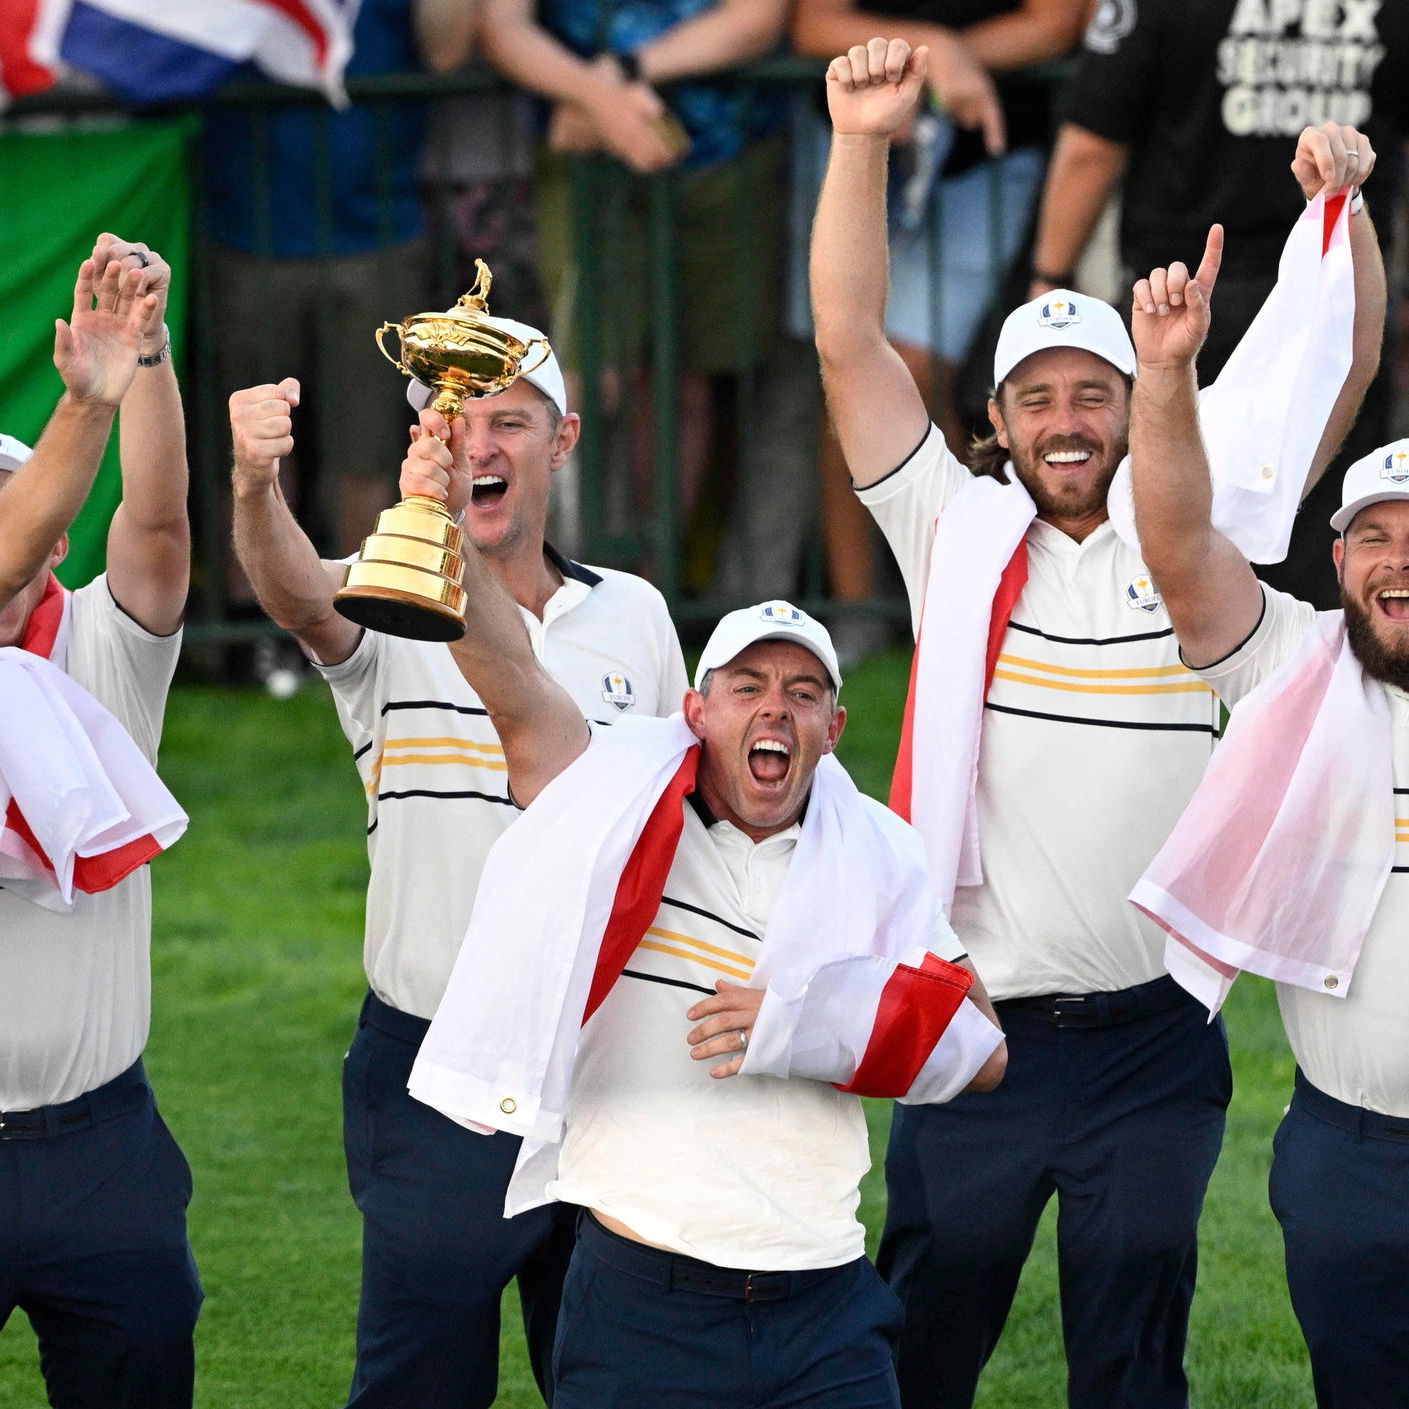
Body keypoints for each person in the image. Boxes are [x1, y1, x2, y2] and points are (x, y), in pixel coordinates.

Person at [809, 37, 1384, 1409]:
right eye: (1036, 399)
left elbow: (1346, 358)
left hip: (1153, 1036)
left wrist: (1348, 211)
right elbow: (847, 341)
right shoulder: (950, 529)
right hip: (980, 1023)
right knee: (921, 1339)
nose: (1066, 421)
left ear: (1134, 407)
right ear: (995, 423)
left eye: (1092, 394)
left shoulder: (1199, 539)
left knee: (1131, 1357)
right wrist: (860, 140)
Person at [388, 424, 1006, 1404]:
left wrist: (809, 1022)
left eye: (802, 692)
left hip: (825, 1297)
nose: (775, 709)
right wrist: (446, 527)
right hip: (644, 1298)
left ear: (833, 729)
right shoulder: (613, 798)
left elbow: (981, 1048)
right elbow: (512, 681)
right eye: (746, 686)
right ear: (696, 710)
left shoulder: (879, 851)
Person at [228, 322, 688, 1409]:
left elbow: (676, 832)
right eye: (454, 420)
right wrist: (253, 483)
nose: (479, 444)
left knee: (621, 1381)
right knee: (418, 1386)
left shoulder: (636, 614)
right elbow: (295, 591)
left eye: (509, 422)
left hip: (602, 1065)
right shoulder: (390, 591)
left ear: (561, 441)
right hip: (434, 1066)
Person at [1124, 190, 1409, 1408]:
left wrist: (1352, 215)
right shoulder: (1293, 663)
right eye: (1373, 536)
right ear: (1335, 560)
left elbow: (1361, 339)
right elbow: (1178, 545)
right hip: (1348, 1149)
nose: (1397, 558)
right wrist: (1163, 378)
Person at [0, 235, 197, 1408]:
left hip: (102, 1140)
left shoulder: (102, 647)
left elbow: (160, 528)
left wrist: (148, 359)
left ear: (60, 532)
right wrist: (89, 399)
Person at [791, 0, 1087, 663]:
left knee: (912, 369)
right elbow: (811, 23)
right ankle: (864, 608)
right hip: (860, 136)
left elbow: (1057, 22)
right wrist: (929, 58)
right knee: (844, 373)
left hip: (988, 154)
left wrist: (935, 67)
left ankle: (965, 597)